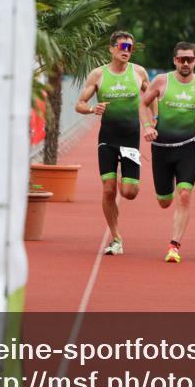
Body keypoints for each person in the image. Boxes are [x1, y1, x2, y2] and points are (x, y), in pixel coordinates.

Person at [75, 31, 153, 255]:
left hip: (130, 139)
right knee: (108, 190)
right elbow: (79, 104)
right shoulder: (98, 75)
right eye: (122, 46)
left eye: (130, 47)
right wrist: (92, 108)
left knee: (129, 191)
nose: (126, 51)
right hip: (107, 139)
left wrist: (154, 121)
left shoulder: (138, 72)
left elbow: (151, 96)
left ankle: (126, 177)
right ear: (111, 49)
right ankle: (116, 237)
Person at [142, 42, 195, 263]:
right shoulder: (161, 81)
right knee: (164, 201)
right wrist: (147, 126)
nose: (185, 63)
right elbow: (143, 103)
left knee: (184, 195)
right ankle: (165, 197)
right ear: (174, 60)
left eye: (190, 59)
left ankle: (174, 245)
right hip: (161, 150)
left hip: (187, 148)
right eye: (181, 59)